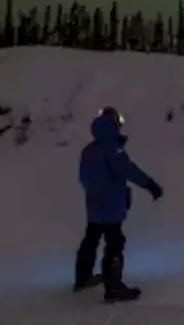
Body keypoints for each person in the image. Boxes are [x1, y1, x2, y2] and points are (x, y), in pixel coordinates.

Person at [73, 106, 164, 302]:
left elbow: (83, 177)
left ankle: (82, 278)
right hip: (111, 206)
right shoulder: (114, 150)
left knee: (91, 240)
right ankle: (113, 287)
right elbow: (129, 171)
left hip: (94, 205)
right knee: (114, 244)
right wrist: (150, 185)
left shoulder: (89, 150)